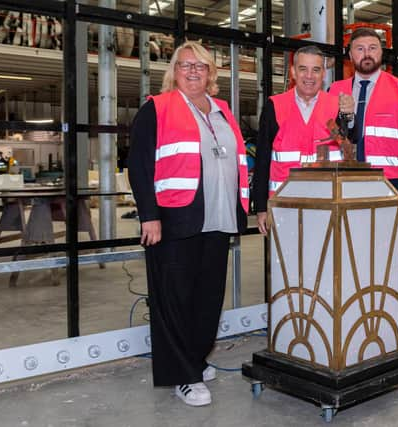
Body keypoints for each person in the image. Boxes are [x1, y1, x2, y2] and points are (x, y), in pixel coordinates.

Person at [127, 40, 249, 407]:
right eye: (185, 65)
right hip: (174, 219)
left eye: (201, 66)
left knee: (207, 298)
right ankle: (182, 375)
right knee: (175, 300)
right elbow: (139, 165)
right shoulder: (157, 108)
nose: (193, 71)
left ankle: (194, 358)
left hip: (219, 218)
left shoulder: (223, 111)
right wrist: (149, 215)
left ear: (211, 73)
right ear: (174, 72)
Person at [252, 45, 354, 234]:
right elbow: (262, 159)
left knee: (327, 261)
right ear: (293, 72)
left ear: (323, 74)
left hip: (328, 205)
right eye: (303, 69)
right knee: (284, 262)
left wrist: (350, 117)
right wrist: (260, 207)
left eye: (316, 70)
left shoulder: (337, 106)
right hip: (284, 205)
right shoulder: (274, 106)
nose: (309, 76)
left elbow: (349, 150)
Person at [329, 28, 398, 215]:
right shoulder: (335, 90)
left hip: (390, 184)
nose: (367, 54)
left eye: (372, 48)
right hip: (344, 182)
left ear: (381, 53)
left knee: (386, 243)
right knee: (347, 241)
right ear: (350, 55)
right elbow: (332, 136)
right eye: (360, 49)